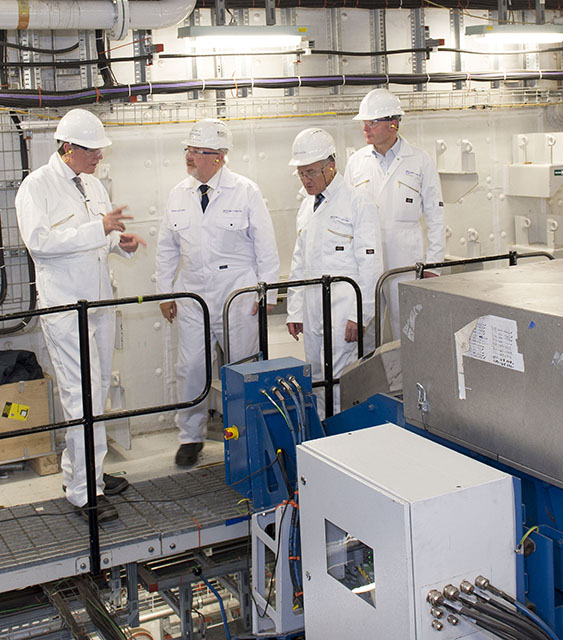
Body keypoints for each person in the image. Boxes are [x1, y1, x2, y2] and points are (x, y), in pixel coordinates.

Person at [15, 108, 146, 522]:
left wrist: (117, 243)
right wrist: (99, 230)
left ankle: (90, 474)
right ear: (68, 147)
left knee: (98, 390)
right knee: (80, 397)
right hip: (66, 308)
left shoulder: (91, 184)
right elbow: (41, 243)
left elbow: (97, 237)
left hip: (98, 302)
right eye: (93, 150)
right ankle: (82, 493)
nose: (99, 158)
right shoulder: (36, 188)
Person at [155, 119, 280, 467]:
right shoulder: (178, 193)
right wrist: (164, 292)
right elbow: (167, 247)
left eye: (198, 152)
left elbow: (266, 246)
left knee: (242, 366)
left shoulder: (246, 191)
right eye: (189, 150)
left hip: (237, 294)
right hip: (193, 294)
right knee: (192, 367)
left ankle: (246, 431)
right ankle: (190, 436)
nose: (190, 157)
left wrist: (266, 294)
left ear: (219, 157)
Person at [286, 128, 383, 415]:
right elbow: (298, 261)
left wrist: (361, 315)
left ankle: (342, 439)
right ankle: (323, 438)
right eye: (301, 173)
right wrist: (295, 310)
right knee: (316, 375)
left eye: (311, 173)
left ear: (331, 166)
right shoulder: (306, 207)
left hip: (344, 310)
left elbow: (371, 265)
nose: (306, 180)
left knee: (341, 378)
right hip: (313, 307)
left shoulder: (358, 203)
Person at [344, 89, 444, 343]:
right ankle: (367, 382)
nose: (365, 128)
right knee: (364, 330)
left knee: (409, 329)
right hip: (365, 262)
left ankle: (410, 383)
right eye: (364, 123)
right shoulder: (356, 162)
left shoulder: (420, 161)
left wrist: (434, 265)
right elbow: (346, 216)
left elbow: (436, 214)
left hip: (406, 262)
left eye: (372, 122)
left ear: (393, 124)